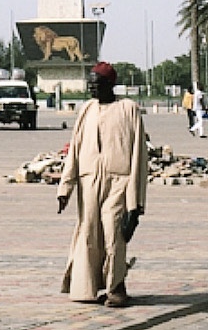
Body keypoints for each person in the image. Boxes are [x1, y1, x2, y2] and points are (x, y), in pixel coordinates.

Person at [57, 62, 148, 308]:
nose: (91, 89)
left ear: (110, 85)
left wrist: (136, 203)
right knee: (89, 235)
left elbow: (139, 155)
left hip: (119, 182)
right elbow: (74, 148)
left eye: (96, 85)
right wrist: (65, 188)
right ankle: (89, 287)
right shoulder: (87, 109)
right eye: (90, 85)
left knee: (114, 234)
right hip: (88, 183)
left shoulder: (128, 109)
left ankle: (116, 287)